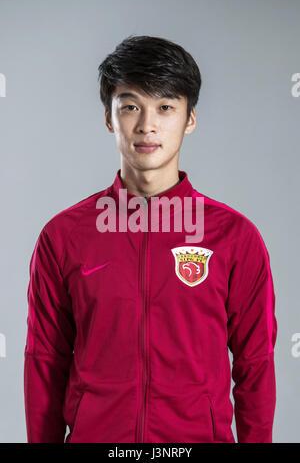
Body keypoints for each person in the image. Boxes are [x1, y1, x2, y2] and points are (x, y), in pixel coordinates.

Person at [24, 35, 277, 443]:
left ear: (189, 118)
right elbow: (45, 360)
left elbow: (255, 363)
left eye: (165, 107)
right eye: (130, 107)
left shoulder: (235, 237)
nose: (147, 125)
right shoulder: (64, 236)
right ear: (109, 117)